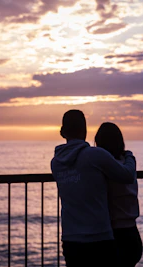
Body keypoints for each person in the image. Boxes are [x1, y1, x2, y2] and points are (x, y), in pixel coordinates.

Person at [51, 110, 137, 267]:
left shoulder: (55, 163)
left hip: (70, 238)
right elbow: (127, 175)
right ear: (85, 130)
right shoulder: (95, 155)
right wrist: (129, 156)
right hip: (99, 237)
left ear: (62, 132)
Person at [95, 122, 143, 267]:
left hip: (113, 235)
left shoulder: (103, 168)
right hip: (132, 234)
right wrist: (129, 154)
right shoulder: (128, 163)